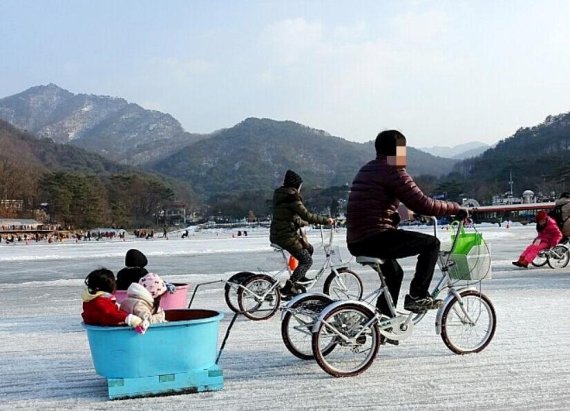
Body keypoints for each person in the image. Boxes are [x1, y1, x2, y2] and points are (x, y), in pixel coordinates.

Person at [346, 130, 464, 316]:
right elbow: (423, 203)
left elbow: (376, 205)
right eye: (404, 150)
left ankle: (381, 322)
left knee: (394, 274)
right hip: (376, 237)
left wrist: (408, 215)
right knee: (431, 244)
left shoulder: (368, 168)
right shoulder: (393, 170)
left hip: (357, 240)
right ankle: (417, 296)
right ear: (398, 150)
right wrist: (455, 208)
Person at [270, 169, 334, 298]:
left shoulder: (281, 195)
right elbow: (307, 214)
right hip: (286, 236)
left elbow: (288, 216)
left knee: (308, 248)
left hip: (279, 233)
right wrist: (326, 220)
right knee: (307, 261)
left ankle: (301, 276)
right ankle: (289, 286)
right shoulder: (292, 197)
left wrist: (302, 222)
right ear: (296, 185)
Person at [81, 268, 148, 333]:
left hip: (98, 334)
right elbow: (111, 314)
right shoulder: (99, 303)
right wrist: (132, 319)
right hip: (110, 335)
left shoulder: (91, 301)